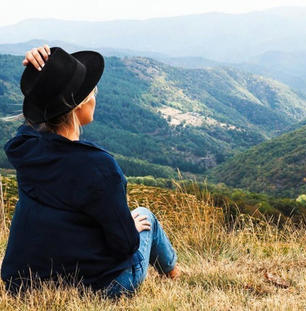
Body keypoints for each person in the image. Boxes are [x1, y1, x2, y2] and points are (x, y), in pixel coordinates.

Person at [0, 44, 179, 298]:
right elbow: (125, 246)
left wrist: (38, 74)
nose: (94, 94)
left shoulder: (26, 150)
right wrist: (130, 227)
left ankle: (173, 271)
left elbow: (30, 124)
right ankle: (174, 273)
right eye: (90, 91)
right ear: (77, 107)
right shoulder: (99, 167)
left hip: (23, 286)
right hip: (98, 287)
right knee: (145, 217)